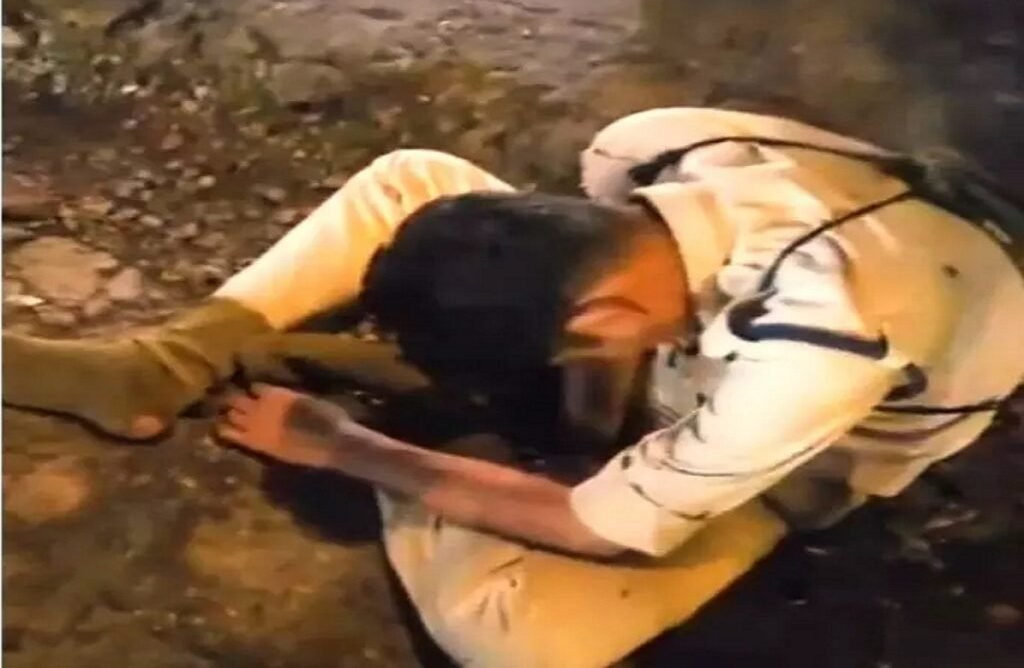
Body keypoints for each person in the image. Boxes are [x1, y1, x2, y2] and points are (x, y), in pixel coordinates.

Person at [5, 108, 1023, 667]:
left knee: (527, 644)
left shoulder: (820, 343)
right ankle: (162, 363)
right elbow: (597, 283)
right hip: (667, 333)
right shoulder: (654, 146)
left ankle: (449, 432)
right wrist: (581, 402)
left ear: (600, 326)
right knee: (414, 176)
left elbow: (603, 530)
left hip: (801, 453)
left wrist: (346, 448)